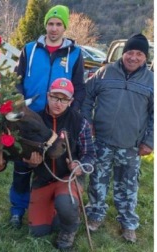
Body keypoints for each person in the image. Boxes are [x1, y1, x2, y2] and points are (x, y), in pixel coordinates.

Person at [10, 4, 85, 229]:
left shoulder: (75, 53)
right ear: (46, 26)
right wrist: (19, 102)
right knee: (23, 165)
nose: (54, 28)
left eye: (58, 24)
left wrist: (74, 111)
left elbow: (80, 86)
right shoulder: (29, 48)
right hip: (32, 118)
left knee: (55, 162)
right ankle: (17, 209)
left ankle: (56, 203)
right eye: (50, 24)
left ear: (64, 27)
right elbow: (17, 80)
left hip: (59, 117)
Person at [81, 33, 153, 243]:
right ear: (124, 52)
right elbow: (86, 96)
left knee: (128, 186)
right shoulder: (105, 73)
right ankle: (95, 214)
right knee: (97, 181)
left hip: (132, 145)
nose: (133, 57)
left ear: (145, 57)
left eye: (139, 53)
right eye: (130, 52)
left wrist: (150, 141)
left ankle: (128, 223)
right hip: (102, 141)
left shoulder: (151, 81)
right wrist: (87, 123)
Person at [25, 78, 94, 250]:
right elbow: (23, 155)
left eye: (64, 99)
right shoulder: (35, 120)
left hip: (67, 179)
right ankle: (54, 209)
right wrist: (30, 162)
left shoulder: (80, 122)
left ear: (71, 101)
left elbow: (90, 155)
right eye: (55, 97)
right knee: (37, 231)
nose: (58, 103)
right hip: (43, 179)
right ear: (48, 96)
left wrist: (80, 165)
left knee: (66, 203)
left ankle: (69, 228)